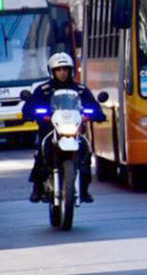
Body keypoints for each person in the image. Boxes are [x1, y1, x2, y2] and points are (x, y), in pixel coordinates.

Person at [22, 52, 105, 203]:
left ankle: (84, 189)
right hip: (49, 131)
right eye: (59, 69)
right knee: (41, 153)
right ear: (52, 71)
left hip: (74, 132)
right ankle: (37, 188)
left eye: (66, 69)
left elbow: (96, 108)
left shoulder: (80, 89)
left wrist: (91, 114)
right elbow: (28, 109)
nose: (62, 72)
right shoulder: (43, 89)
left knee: (85, 154)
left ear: (71, 70)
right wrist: (39, 114)